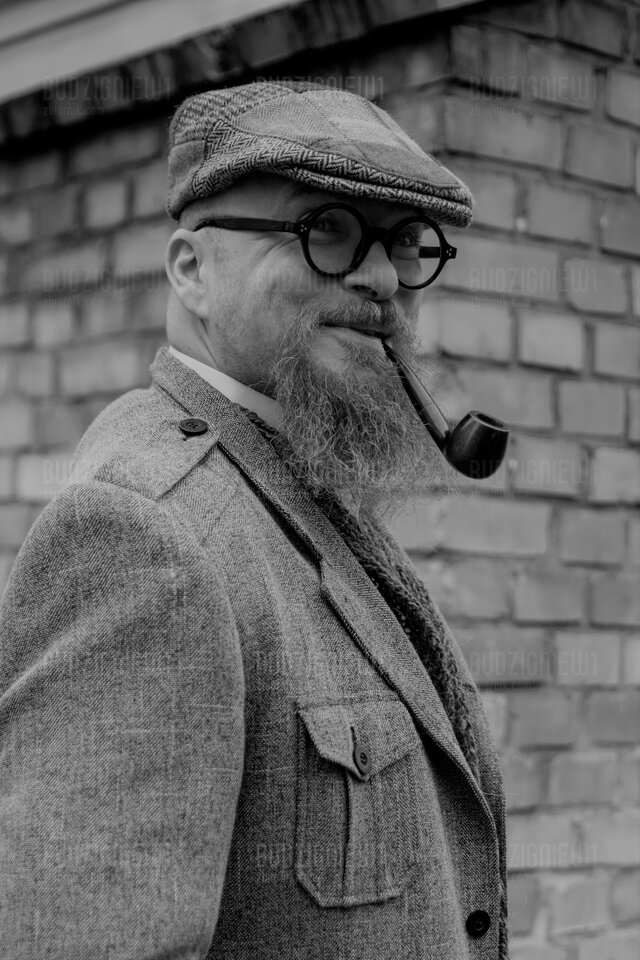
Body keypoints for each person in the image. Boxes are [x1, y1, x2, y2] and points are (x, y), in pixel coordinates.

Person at [0, 80, 508, 959]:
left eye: (405, 242)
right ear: (191, 270)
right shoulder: (147, 539)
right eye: (327, 229)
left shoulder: (293, 477)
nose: (383, 279)